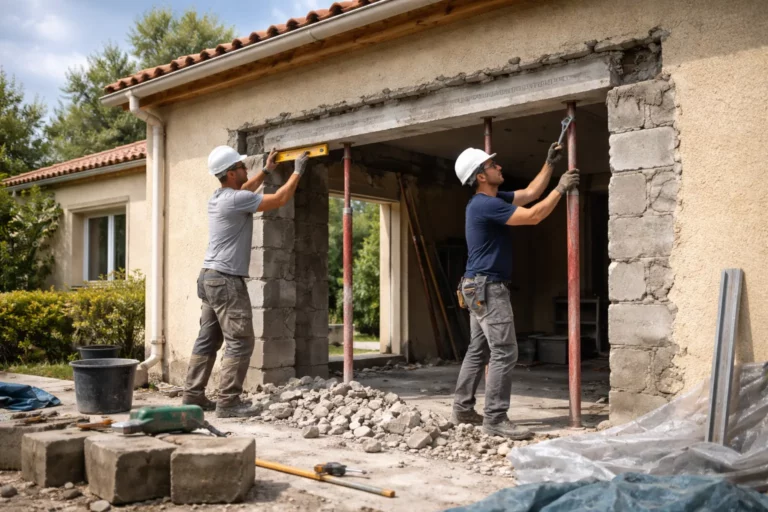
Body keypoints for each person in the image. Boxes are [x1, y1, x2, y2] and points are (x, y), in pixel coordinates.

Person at [452, 142, 580, 439]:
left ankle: (463, 409)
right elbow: (534, 215)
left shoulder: (493, 199)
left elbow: (531, 194)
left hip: (475, 286)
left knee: (478, 349)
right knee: (505, 350)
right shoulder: (486, 205)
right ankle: (495, 418)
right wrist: (561, 188)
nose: (498, 167)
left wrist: (549, 164)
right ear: (481, 176)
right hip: (487, 287)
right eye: (492, 165)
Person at [182, 146, 310, 418]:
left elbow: (247, 190)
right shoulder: (234, 200)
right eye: (242, 167)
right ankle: (228, 402)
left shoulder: (219, 196)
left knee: (207, 339)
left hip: (209, 277)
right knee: (240, 341)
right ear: (230, 173)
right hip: (226, 281)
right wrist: (297, 172)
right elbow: (278, 199)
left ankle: (192, 396)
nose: (245, 170)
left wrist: (266, 170)